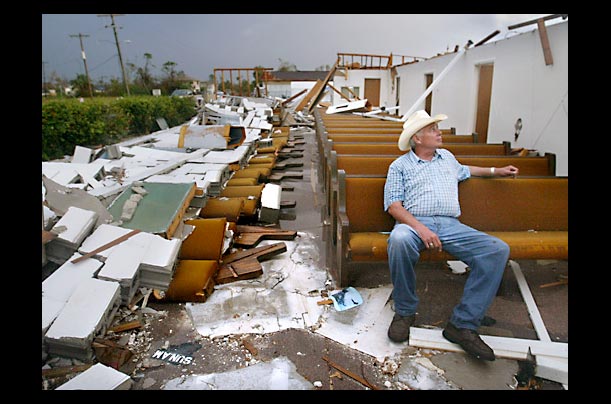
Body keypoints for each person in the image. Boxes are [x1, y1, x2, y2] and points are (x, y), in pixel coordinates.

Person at [383, 110, 519, 361]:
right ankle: (405, 311)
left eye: (437, 128)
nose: (439, 132)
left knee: (497, 249)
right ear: (418, 138)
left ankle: (463, 324)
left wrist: (496, 170)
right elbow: (394, 206)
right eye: (432, 129)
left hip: (449, 225)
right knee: (399, 240)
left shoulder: (447, 158)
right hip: (414, 223)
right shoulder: (400, 166)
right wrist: (420, 229)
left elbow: (466, 170)